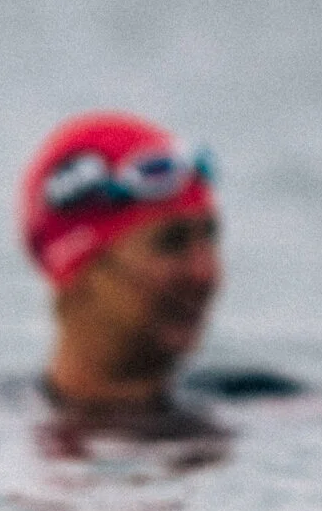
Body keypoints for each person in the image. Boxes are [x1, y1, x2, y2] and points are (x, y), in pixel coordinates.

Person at [19, 110, 258, 450]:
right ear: (80, 269)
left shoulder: (278, 408)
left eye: (210, 238)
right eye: (171, 243)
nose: (204, 273)